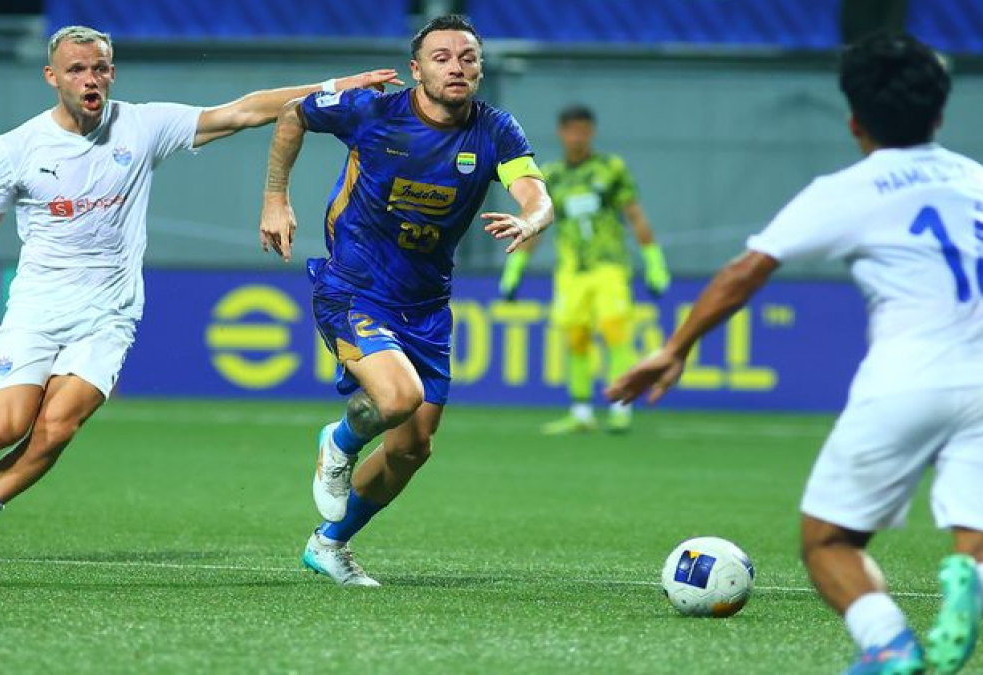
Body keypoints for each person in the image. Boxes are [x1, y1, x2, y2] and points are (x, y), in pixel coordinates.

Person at [0, 25, 401, 562]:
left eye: (101, 68)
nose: (91, 79)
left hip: (109, 315)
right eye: (77, 69)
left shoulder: (142, 126)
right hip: (37, 310)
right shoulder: (16, 148)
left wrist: (335, 88)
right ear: (52, 77)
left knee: (56, 429)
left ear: (112, 73)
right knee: (4, 427)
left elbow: (244, 110)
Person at [607, 33, 981, 675]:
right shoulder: (976, 179)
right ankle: (969, 581)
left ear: (855, 121)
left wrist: (676, 348)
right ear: (942, 114)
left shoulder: (853, 187)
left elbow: (744, 272)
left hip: (907, 379)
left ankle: (889, 644)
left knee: (828, 539)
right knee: (973, 532)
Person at [258, 14, 553, 586]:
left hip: (427, 306)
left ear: (481, 68)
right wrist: (275, 198)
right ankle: (338, 442)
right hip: (355, 287)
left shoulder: (495, 130)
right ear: (416, 70)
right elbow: (292, 113)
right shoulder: (373, 110)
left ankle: (329, 544)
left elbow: (536, 193)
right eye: (441, 57)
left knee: (412, 448)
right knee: (397, 399)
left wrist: (531, 219)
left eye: (467, 57)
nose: (456, 67)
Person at [499, 104, 670, 435]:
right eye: (572, 130)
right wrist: (515, 268)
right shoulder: (553, 176)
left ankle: (621, 408)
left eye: (584, 130)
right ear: (561, 133)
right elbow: (537, 224)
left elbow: (635, 216)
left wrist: (654, 263)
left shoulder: (611, 169)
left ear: (591, 133)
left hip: (609, 266)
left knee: (614, 331)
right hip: (571, 271)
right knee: (576, 338)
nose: (578, 137)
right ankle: (581, 413)